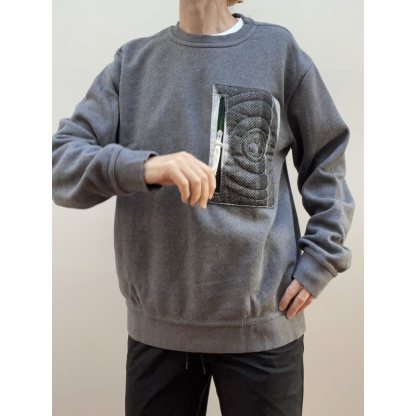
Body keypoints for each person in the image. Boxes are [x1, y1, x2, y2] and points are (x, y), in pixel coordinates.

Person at [52, 0, 355, 414]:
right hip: (159, 334)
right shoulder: (133, 63)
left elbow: (327, 158)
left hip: (262, 328)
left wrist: (322, 256)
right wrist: (148, 167)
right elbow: (60, 165)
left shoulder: (277, 52)